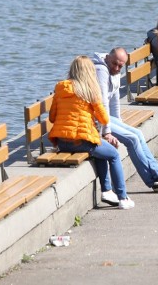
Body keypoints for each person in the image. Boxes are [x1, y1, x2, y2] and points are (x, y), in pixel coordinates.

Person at [91, 49, 158, 191]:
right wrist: (107, 132)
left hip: (104, 116)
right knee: (132, 139)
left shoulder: (113, 71)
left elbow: (114, 100)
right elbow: (103, 102)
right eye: (114, 64)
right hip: (95, 119)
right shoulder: (101, 70)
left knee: (138, 134)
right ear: (108, 58)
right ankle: (155, 179)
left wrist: (120, 124)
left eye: (120, 66)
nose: (116, 68)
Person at [49, 56, 134, 209]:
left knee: (101, 150)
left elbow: (52, 117)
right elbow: (104, 118)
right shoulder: (90, 90)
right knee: (113, 154)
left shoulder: (60, 88)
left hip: (62, 142)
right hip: (80, 141)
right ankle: (123, 197)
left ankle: (107, 191)